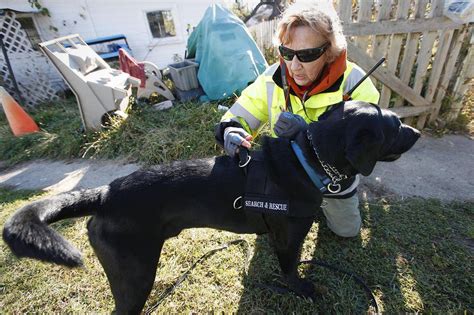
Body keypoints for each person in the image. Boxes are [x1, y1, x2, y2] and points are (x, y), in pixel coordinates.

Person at [215, 1, 380, 237]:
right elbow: (240, 113)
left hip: (334, 180)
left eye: (307, 55)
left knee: (347, 232)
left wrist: (309, 136)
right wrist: (230, 130)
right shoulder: (271, 78)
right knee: (273, 230)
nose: (294, 66)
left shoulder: (355, 83)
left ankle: (322, 206)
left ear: (329, 51)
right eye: (286, 52)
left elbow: (362, 150)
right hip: (286, 174)